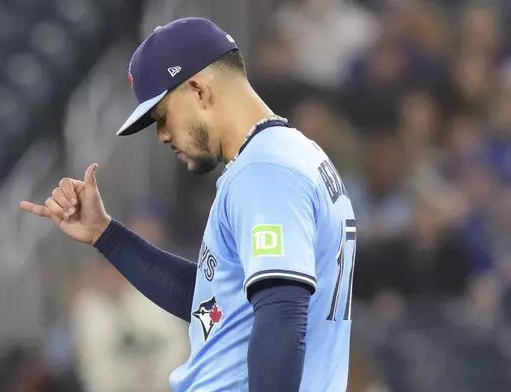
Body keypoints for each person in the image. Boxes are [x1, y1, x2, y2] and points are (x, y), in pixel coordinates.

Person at [20, 17, 356, 392]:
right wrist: (106, 235)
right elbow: (213, 304)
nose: (162, 135)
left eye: (162, 117)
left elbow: (282, 313)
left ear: (198, 90)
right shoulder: (291, 155)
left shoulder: (265, 170)